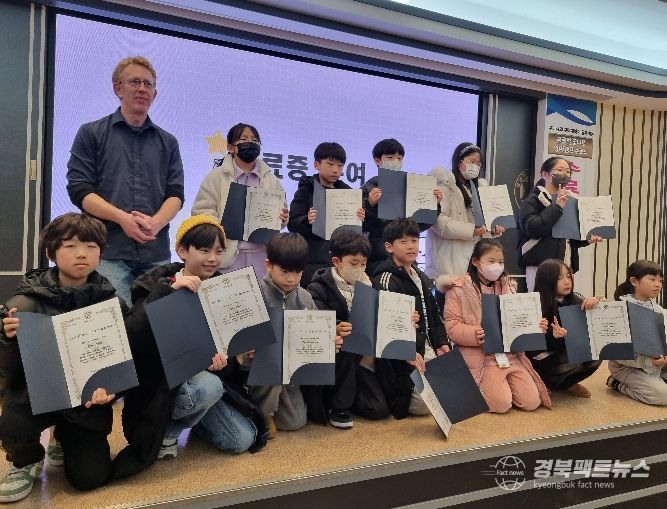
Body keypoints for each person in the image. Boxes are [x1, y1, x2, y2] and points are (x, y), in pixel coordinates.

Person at [117, 215, 266, 472]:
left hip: (205, 381)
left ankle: (193, 420)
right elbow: (133, 337)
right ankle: (169, 431)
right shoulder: (157, 283)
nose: (213, 258)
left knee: (243, 440)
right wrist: (168, 293)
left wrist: (228, 360)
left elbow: (230, 357)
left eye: (219, 251)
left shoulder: (225, 289)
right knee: (208, 387)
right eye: (204, 250)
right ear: (182, 251)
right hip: (164, 388)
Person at [0, 213, 120, 501]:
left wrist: (112, 391)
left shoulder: (111, 303)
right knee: (13, 424)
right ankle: (27, 460)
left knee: (90, 478)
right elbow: (8, 375)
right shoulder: (22, 305)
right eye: (70, 245)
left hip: (85, 401)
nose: (82, 254)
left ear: (101, 253)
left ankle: (62, 436)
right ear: (50, 252)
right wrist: (6, 339)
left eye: (91, 246)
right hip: (36, 397)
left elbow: (120, 362)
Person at [66, 56, 185, 305]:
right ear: (118, 88)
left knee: (156, 325)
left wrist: (156, 223)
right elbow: (80, 190)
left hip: (156, 252)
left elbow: (175, 194)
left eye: (148, 84)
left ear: (155, 94)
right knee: (115, 323)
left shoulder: (168, 142)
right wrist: (122, 219)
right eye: (134, 82)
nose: (142, 89)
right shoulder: (91, 133)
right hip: (108, 250)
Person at [246, 233, 343, 437]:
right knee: (272, 357)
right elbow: (240, 341)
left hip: (291, 372)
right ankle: (262, 413)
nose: (291, 279)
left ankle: (272, 405)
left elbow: (315, 332)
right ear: (268, 265)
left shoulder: (305, 297)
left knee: (295, 422)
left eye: (297, 272)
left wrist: (327, 343)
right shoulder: (255, 294)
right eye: (284, 271)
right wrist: (248, 350)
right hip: (255, 372)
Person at [443, 238, 551, 414]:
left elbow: (518, 319)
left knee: (531, 402)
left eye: (500, 262)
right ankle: (478, 387)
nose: (497, 266)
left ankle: (503, 386)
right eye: (491, 261)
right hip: (481, 355)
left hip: (510, 355)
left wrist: (535, 326)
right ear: (475, 261)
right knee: (501, 404)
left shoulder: (508, 286)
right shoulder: (458, 289)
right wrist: (473, 334)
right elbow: (451, 326)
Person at [306, 230, 390, 427]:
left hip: (363, 359)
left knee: (378, 409)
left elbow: (384, 314)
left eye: (363, 263)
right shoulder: (319, 287)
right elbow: (315, 321)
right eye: (354, 263)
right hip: (337, 357)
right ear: (337, 262)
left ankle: (348, 396)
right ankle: (338, 405)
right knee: (347, 342)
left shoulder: (371, 285)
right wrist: (335, 327)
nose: (359, 268)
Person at [372, 218, 450, 419]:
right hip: (405, 355)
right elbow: (387, 327)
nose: (411, 246)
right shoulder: (385, 279)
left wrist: (442, 342)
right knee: (424, 406)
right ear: (389, 247)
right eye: (403, 242)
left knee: (457, 388)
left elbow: (434, 313)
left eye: (414, 241)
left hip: (427, 348)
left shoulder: (419, 275)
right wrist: (407, 351)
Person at [192, 123, 288, 278]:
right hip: (227, 257)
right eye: (244, 139)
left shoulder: (271, 179)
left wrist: (282, 218)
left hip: (261, 257)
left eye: (255, 140)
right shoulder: (216, 177)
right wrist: (223, 224)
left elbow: (281, 218)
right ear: (231, 147)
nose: (250, 143)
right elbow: (200, 212)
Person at [426, 143, 504, 308]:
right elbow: (439, 223)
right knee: (450, 313)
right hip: (449, 264)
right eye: (471, 161)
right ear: (459, 161)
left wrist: (492, 230)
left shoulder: (479, 189)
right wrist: (471, 231)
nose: (475, 166)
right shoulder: (444, 186)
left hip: (475, 265)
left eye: (478, 163)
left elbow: (483, 223)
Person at [517, 156, 602, 291]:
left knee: (563, 302)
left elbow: (568, 237)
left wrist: (586, 239)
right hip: (540, 265)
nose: (565, 174)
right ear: (545, 174)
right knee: (542, 302)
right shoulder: (534, 200)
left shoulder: (571, 200)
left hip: (565, 264)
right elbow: (533, 229)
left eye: (568, 171)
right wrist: (556, 208)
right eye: (560, 170)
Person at [288, 142, 364, 287]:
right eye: (330, 164)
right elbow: (292, 223)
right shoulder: (306, 190)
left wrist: (360, 218)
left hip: (340, 261)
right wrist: (306, 220)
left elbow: (355, 234)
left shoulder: (348, 193)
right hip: (312, 260)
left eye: (340, 166)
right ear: (316, 165)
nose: (336, 170)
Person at [362, 139, 442, 276]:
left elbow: (420, 225)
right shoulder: (369, 188)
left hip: (407, 259)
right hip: (378, 259)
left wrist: (434, 205)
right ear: (377, 160)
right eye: (390, 157)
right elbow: (363, 226)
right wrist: (370, 205)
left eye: (399, 158)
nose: (395, 161)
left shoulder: (411, 187)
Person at [530, 259, 602, 397]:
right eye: (560, 278)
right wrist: (552, 336)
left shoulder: (577, 300)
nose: (567, 282)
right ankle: (543, 382)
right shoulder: (535, 305)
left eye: (569, 276)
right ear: (547, 281)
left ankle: (566, 385)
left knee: (595, 355)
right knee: (570, 362)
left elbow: (587, 334)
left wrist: (596, 306)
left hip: (564, 351)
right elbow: (532, 349)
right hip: (541, 357)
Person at [607, 261, 667, 405]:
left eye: (660, 281)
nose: (658, 285)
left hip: (656, 364)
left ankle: (659, 379)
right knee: (663, 395)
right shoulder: (621, 310)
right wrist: (649, 362)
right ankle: (617, 384)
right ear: (634, 281)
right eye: (652, 279)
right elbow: (617, 354)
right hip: (626, 367)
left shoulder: (659, 310)